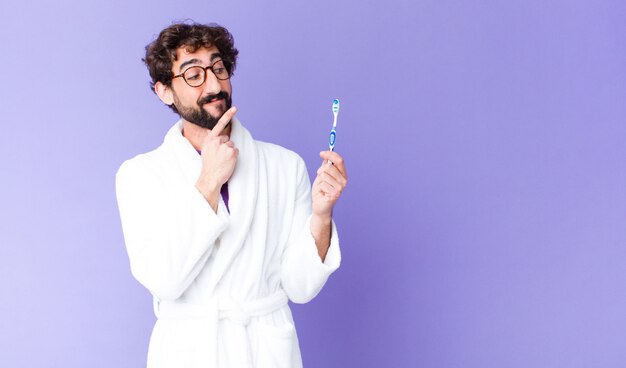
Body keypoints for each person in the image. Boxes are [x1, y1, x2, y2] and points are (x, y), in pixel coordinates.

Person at [115, 22, 348, 368]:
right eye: (194, 74)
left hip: (264, 350)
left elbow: (300, 287)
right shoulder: (140, 175)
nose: (213, 84)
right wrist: (208, 182)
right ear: (164, 91)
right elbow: (165, 280)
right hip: (187, 352)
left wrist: (321, 216)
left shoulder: (284, 166)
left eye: (218, 68)